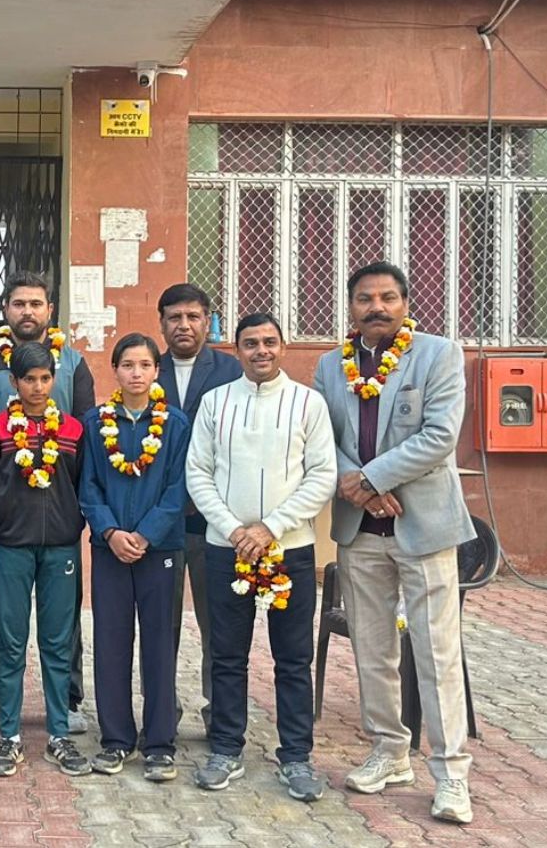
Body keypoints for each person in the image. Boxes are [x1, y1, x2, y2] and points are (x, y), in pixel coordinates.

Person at [313, 261, 476, 825]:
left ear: (405, 303)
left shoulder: (438, 355)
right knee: (372, 649)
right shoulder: (330, 366)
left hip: (423, 527)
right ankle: (389, 751)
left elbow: (439, 436)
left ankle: (451, 773)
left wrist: (372, 478)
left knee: (436, 652)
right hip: (360, 530)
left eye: (387, 297)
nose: (376, 307)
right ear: (351, 306)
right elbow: (321, 438)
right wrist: (356, 486)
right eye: (365, 298)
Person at [186, 312, 336, 801]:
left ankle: (296, 757)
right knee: (227, 655)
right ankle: (226, 749)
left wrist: (270, 527)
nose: (261, 351)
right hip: (226, 548)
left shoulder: (308, 403)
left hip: (288, 550)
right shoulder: (215, 402)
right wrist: (235, 530)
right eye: (250, 343)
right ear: (236, 351)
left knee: (293, 658)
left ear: (283, 346)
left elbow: (322, 476)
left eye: (269, 342)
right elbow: (198, 473)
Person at [0, 271, 94, 737]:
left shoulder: (74, 363)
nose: (27, 311)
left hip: (59, 523)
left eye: (36, 304)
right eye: (19, 303)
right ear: (6, 309)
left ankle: (69, 701)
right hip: (10, 528)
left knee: (63, 624)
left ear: (49, 310)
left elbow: (85, 444)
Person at [79, 333, 191, 783]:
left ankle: (160, 743)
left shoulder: (176, 425)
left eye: (145, 365)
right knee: (110, 643)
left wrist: (145, 535)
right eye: (128, 365)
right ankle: (116, 739)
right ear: (115, 370)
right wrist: (110, 531)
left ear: (157, 371)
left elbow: (179, 488)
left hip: (159, 549)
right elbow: (88, 484)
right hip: (110, 549)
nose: (137, 373)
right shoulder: (95, 423)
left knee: (160, 645)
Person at [0, 342, 91, 779]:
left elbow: (81, 484)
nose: (38, 387)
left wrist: (69, 524)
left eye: (45, 378)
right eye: (29, 379)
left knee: (57, 642)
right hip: (11, 547)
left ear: (54, 379)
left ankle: (58, 734)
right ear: (14, 382)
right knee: (10, 642)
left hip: (61, 547)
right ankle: (9, 736)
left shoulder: (73, 430)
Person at [155, 282, 241, 730]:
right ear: (162, 324)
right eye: (174, 317)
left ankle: (218, 715)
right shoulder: (148, 369)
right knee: (161, 626)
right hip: (162, 525)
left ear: (208, 321)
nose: (184, 325)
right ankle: (162, 714)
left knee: (218, 624)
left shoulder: (230, 371)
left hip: (216, 522)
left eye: (192, 317)